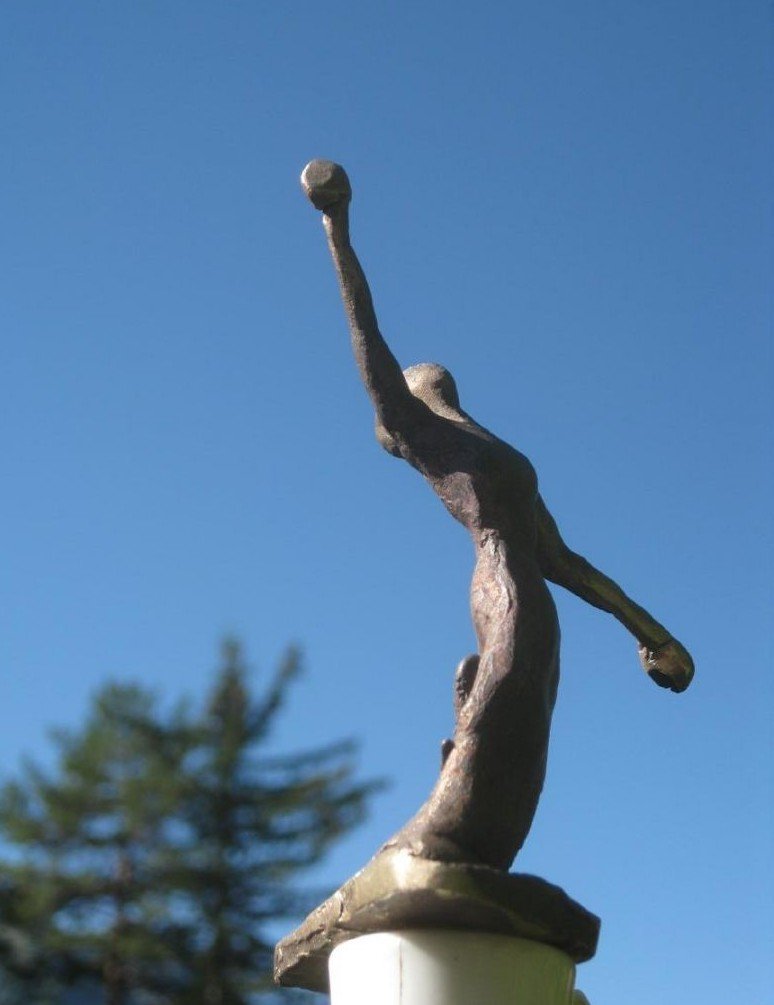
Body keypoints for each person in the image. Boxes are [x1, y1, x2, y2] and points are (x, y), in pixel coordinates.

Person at [301, 160, 694, 872]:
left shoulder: (488, 445)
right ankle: (426, 851)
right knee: (497, 713)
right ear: (402, 406)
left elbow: (566, 561)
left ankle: (471, 858)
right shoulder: (426, 437)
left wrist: (653, 634)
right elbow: (369, 339)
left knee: (525, 732)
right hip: (500, 583)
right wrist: (338, 226)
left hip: (533, 595)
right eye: (408, 377)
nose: (425, 368)